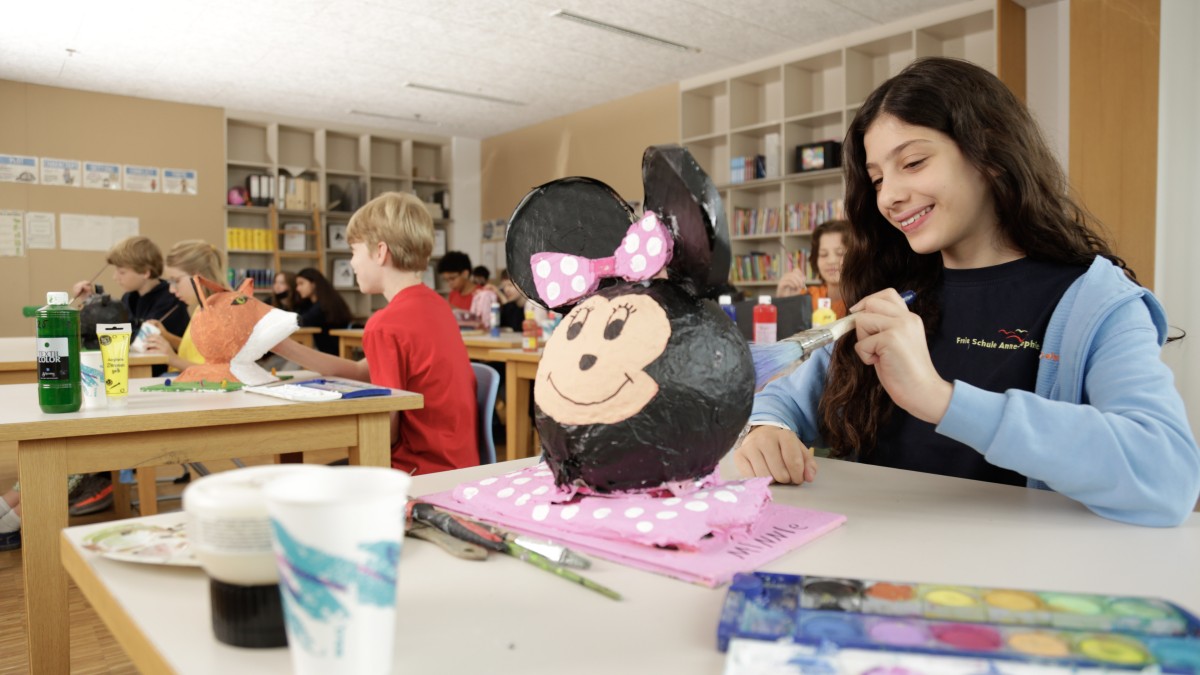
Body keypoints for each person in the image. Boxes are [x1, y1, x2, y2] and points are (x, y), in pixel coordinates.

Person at [733, 57, 1199, 527]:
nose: (889, 195)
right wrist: (766, 428)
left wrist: (939, 398)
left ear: (990, 155)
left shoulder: (1094, 303)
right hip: (870, 560)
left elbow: (1167, 477)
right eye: (877, 179)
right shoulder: (896, 293)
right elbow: (786, 399)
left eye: (912, 162)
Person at [270, 192, 478, 476]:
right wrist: (282, 345)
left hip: (415, 472)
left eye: (353, 251)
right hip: (457, 464)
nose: (352, 263)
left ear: (380, 252)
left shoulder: (385, 323)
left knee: (297, 482)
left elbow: (384, 432)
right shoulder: (438, 307)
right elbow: (359, 371)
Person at [72, 235, 189, 340]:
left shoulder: (171, 299)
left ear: (145, 272)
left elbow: (136, 338)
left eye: (122, 272)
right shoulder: (129, 297)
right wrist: (90, 300)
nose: (115, 277)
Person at [143, 240, 227, 373]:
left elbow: (219, 373)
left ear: (199, 276)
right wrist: (167, 337)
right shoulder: (201, 308)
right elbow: (197, 351)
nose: (171, 289)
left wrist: (173, 359)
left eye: (176, 281)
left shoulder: (224, 314)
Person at [775, 219, 850, 319]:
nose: (831, 260)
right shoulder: (806, 296)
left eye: (840, 253)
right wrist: (783, 303)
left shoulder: (864, 300)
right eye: (823, 255)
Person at [294, 268, 353, 355]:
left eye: (301, 284)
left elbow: (301, 321)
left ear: (313, 284)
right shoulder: (311, 304)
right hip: (322, 350)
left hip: (331, 352)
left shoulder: (324, 305)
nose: (297, 288)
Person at [437, 251, 499, 329]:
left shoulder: (482, 295)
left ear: (465, 274)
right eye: (446, 280)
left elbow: (486, 325)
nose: (449, 284)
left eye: (452, 278)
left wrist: (456, 310)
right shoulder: (453, 294)